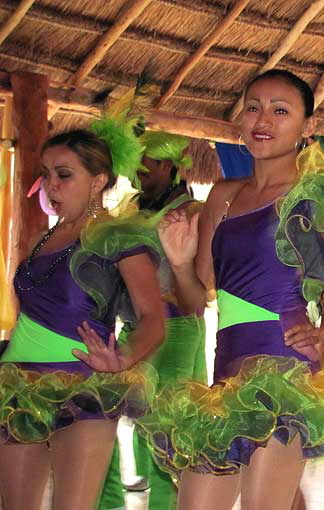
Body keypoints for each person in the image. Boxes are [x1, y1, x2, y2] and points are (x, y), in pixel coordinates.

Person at [137, 69, 324, 510]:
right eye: (253, 107)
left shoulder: (318, 195)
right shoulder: (221, 194)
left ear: (306, 127)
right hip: (224, 375)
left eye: (281, 111)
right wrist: (179, 262)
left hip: (285, 371)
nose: (263, 119)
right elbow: (197, 299)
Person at [0, 127, 165, 510]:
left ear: (98, 181)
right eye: (46, 174)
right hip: (15, 385)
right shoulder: (40, 238)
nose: (51, 185)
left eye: (64, 174)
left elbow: (152, 317)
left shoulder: (119, 236)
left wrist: (124, 358)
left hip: (84, 388)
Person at [99, 131, 207, 510]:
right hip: (134, 325)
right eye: (137, 165)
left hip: (176, 325)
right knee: (124, 417)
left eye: (149, 164)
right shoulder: (132, 209)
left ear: (171, 166)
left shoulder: (191, 213)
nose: (140, 171)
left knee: (170, 425)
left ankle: (167, 503)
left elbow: (199, 288)